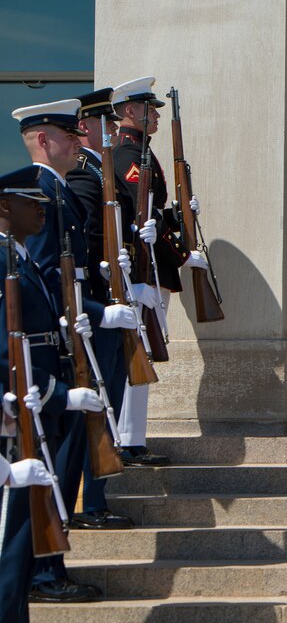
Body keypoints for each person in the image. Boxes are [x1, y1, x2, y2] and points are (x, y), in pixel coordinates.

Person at [0, 164, 104, 617]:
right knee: (11, 545)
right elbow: (5, 351)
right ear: (4, 206)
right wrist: (57, 393)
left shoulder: (18, 257)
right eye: (32, 204)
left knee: (22, 549)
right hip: (18, 411)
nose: (42, 212)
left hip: (34, 405)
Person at [111, 76, 204, 466]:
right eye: (149, 110)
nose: (156, 118)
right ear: (130, 112)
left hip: (150, 268)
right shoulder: (129, 156)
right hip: (141, 272)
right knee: (139, 355)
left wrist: (181, 215)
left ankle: (132, 438)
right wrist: (182, 251)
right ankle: (128, 441)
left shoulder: (141, 153)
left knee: (144, 356)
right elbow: (141, 212)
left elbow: (153, 210)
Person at [65, 88, 138, 530]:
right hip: (96, 306)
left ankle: (95, 498)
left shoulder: (99, 170)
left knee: (108, 401)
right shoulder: (82, 176)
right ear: (87, 128)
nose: (112, 131)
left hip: (112, 300)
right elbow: (85, 244)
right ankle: (86, 502)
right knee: (97, 404)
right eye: (105, 125)